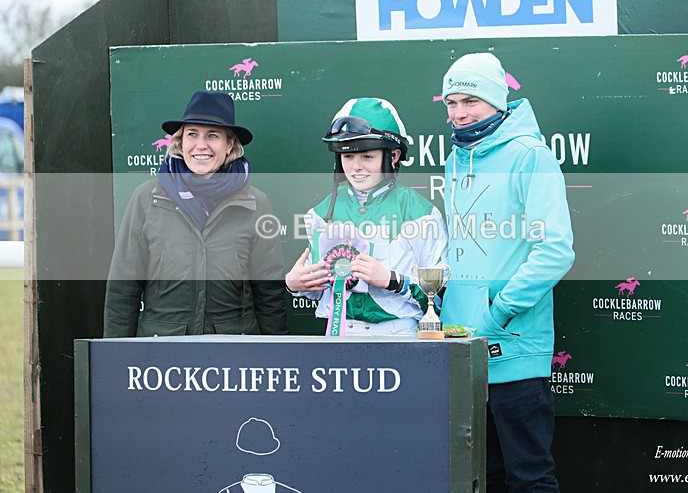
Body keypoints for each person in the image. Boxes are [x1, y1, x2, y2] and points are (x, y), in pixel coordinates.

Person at [438, 53, 575, 492]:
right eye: (451, 103)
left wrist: (498, 314)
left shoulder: (529, 155)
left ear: (496, 100)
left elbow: (555, 250)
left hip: (514, 348)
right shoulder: (456, 158)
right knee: (481, 475)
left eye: (470, 102)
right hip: (462, 347)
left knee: (528, 474)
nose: (459, 114)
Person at [104, 90, 288, 337]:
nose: (201, 145)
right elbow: (123, 287)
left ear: (230, 144)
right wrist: (116, 357)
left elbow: (269, 294)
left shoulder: (255, 203)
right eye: (192, 134)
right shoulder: (147, 198)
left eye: (213, 135)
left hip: (234, 354)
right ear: (180, 142)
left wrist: (275, 356)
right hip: (162, 355)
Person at [285, 97, 447, 336]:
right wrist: (295, 285)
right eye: (348, 156)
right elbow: (321, 288)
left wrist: (394, 281)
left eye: (367, 156)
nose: (356, 166)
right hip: (337, 334)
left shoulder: (420, 213)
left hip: (399, 335)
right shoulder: (321, 212)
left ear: (392, 157)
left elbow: (442, 298)